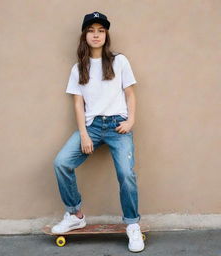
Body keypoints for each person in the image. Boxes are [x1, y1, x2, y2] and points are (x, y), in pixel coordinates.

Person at [51, 11, 145, 252]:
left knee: (126, 174)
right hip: (92, 127)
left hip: (117, 126)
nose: (96, 35)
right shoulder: (78, 68)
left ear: (106, 35)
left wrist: (131, 120)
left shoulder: (119, 61)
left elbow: (130, 93)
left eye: (101, 30)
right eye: (92, 30)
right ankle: (75, 215)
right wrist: (83, 133)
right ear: (85, 35)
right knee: (62, 162)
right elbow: (77, 104)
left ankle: (132, 225)